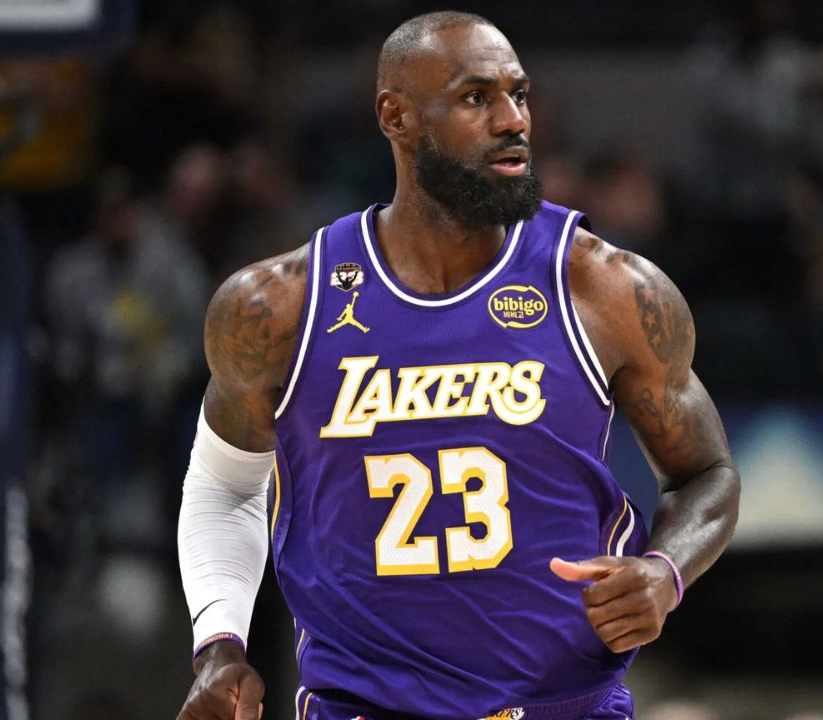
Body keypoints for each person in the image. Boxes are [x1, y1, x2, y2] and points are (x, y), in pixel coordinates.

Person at [175, 11, 740, 720]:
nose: (514, 121)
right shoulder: (280, 305)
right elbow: (225, 490)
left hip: (565, 705)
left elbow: (707, 473)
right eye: (478, 98)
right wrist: (220, 644)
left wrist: (665, 572)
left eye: (520, 95)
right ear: (397, 117)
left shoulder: (604, 288)